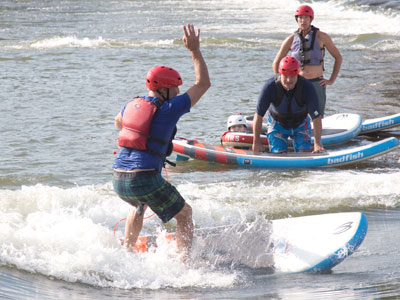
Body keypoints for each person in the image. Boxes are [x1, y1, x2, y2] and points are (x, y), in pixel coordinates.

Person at [112, 24, 210, 260]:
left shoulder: (133, 104)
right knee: (185, 214)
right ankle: (184, 266)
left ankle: (126, 254)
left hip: (119, 178)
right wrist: (194, 51)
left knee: (138, 206)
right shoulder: (169, 108)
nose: (178, 91)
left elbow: (119, 123)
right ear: (165, 89)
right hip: (144, 177)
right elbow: (203, 83)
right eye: (175, 87)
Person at [272, 4, 342, 116]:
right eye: (300, 17)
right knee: (297, 114)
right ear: (297, 20)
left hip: (317, 83)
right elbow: (276, 62)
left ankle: (318, 133)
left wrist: (331, 80)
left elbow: (338, 57)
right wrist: (280, 81)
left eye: (306, 17)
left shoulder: (322, 37)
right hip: (297, 82)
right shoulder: (291, 39)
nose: (303, 20)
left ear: (311, 19)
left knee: (317, 115)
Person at [252, 56, 325, 154]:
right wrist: (256, 141)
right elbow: (258, 115)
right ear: (280, 74)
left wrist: (317, 143)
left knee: (305, 154)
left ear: (298, 74)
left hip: (301, 124)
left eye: (292, 76)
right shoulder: (270, 87)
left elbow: (316, 117)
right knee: (279, 155)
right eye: (285, 76)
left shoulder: (307, 87)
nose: (288, 80)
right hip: (277, 124)